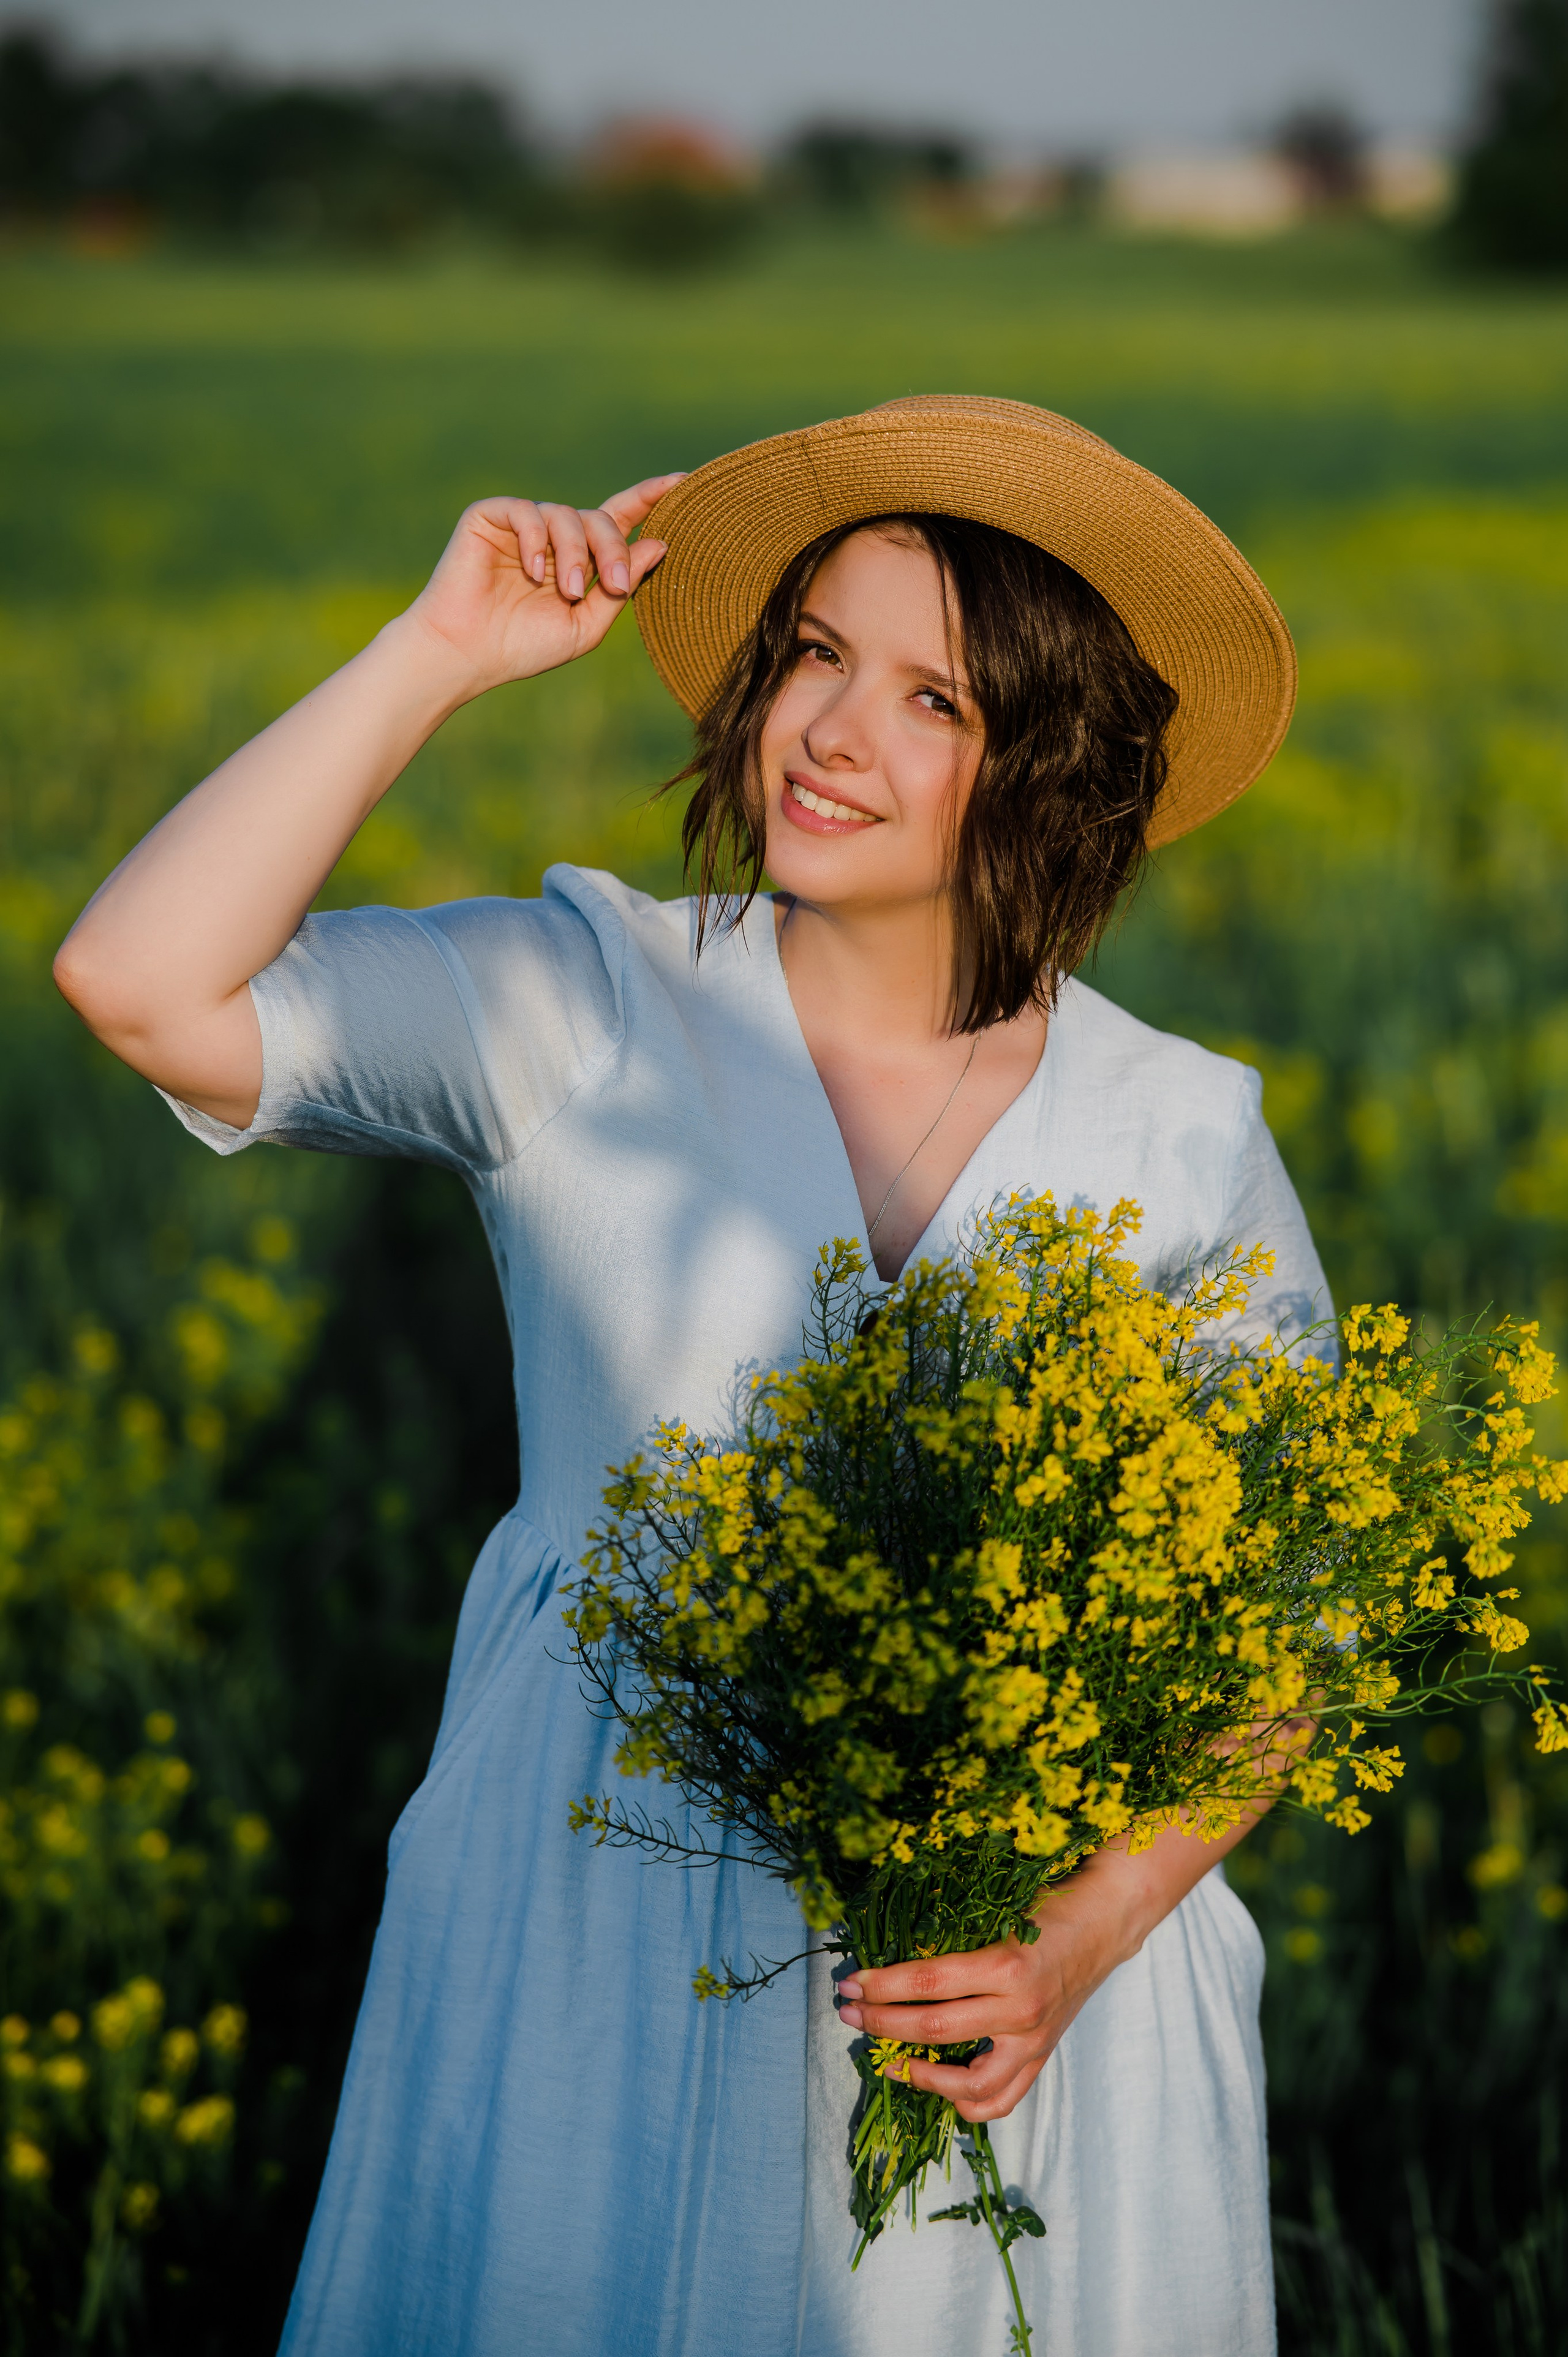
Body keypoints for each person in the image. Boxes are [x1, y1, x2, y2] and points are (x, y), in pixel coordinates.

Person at [55, 396, 1327, 2356]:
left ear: (1055, 769)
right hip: (595, 1893)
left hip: (1020, 1979)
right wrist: (439, 654)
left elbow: (1276, 1628)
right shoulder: (582, 998)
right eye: (817, 655)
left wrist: (1076, 1946)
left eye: (935, 699)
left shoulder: (1180, 1132)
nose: (831, 733)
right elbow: (140, 985)